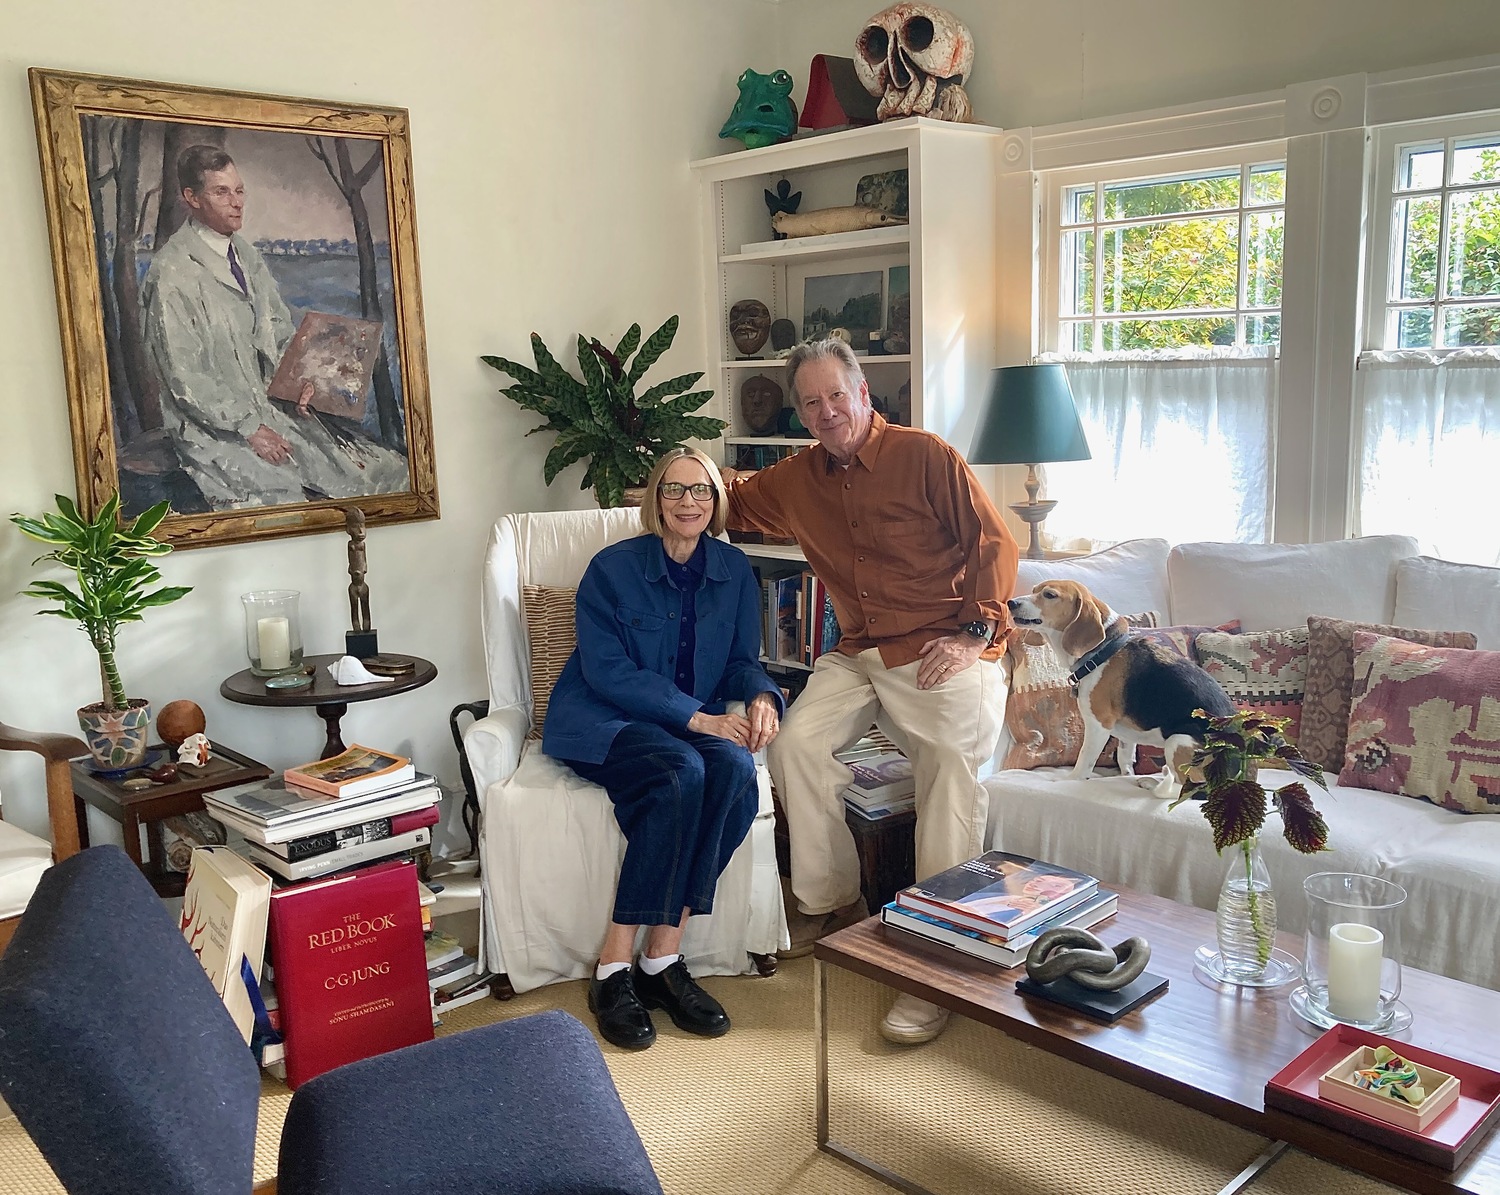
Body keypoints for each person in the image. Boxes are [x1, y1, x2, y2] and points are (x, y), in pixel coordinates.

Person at [723, 338, 1019, 1046]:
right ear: (801, 414)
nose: (827, 412)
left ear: (864, 394)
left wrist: (976, 632)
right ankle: (837, 902)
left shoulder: (925, 454)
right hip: (859, 652)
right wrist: (681, 482)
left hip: (942, 647)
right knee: (793, 746)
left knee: (948, 767)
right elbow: (730, 500)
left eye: (836, 395)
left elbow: (994, 542)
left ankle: (940, 964)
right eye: (811, 403)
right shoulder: (797, 478)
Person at [543, 447, 785, 1050]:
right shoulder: (612, 568)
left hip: (683, 724)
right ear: (655, 500)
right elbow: (606, 671)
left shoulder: (733, 570)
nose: (688, 503)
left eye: (701, 491)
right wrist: (699, 720)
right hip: (602, 720)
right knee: (681, 773)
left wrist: (761, 697)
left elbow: (739, 663)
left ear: (716, 502)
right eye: (674, 490)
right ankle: (612, 969)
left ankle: (661, 961)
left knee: (734, 773)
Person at [141, 144, 408, 511]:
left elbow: (279, 333)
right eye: (221, 192)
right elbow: (185, 379)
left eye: (239, 190)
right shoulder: (170, 274)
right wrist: (250, 427)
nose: (236, 202)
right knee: (282, 499)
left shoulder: (247, 257)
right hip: (215, 428)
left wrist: (301, 382)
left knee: (386, 471)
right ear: (192, 198)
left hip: (271, 409)